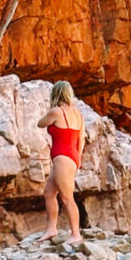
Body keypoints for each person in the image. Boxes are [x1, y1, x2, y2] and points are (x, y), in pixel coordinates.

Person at [41, 80, 86, 244]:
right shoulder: (78, 114)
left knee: (67, 198)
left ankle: (76, 234)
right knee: (49, 193)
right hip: (72, 156)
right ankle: (51, 229)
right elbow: (81, 140)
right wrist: (78, 159)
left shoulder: (56, 112)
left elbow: (41, 123)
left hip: (62, 157)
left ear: (56, 94)